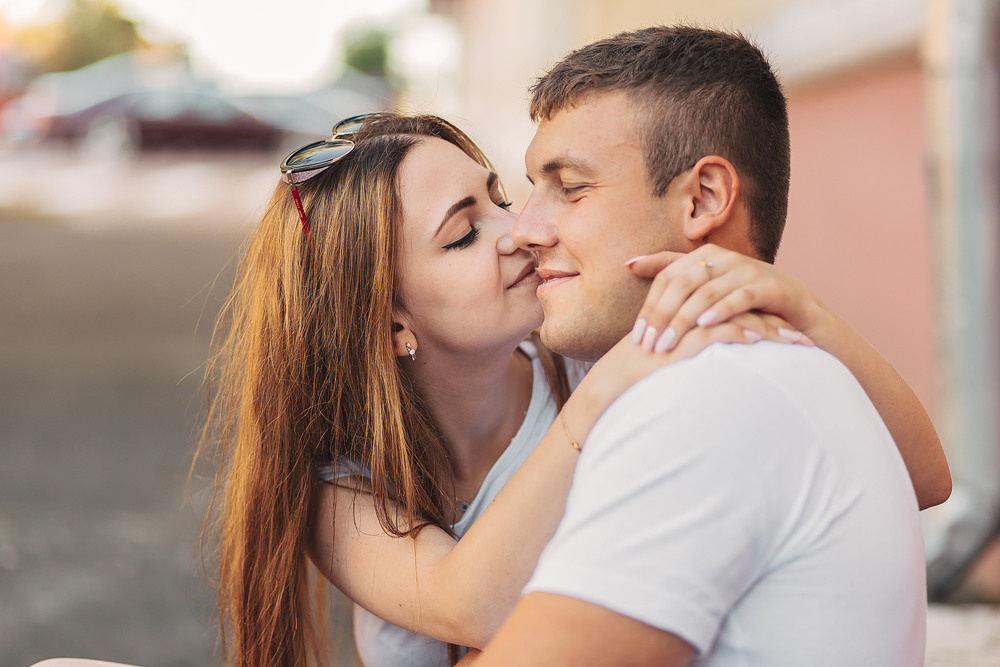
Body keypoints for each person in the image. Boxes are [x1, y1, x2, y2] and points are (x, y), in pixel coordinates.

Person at [471, 25, 940, 666]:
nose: (524, 230)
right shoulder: (771, 368)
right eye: (530, 188)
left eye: (571, 187)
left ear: (703, 198)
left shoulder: (707, 397)